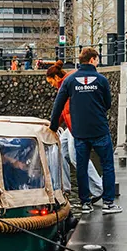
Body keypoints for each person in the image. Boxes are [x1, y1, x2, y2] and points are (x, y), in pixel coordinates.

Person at [50, 47, 121, 214]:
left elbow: (58, 106)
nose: (97, 62)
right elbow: (108, 103)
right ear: (92, 60)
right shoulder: (101, 80)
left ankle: (85, 204)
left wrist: (53, 127)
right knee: (107, 165)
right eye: (96, 59)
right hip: (99, 129)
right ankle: (108, 203)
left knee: (81, 167)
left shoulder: (70, 80)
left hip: (79, 132)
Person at [46, 61, 103, 202]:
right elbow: (63, 112)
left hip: (76, 126)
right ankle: (64, 189)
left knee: (77, 158)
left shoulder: (66, 85)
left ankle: (99, 188)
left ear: (56, 77)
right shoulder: (67, 83)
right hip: (73, 125)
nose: (51, 85)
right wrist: (53, 127)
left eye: (50, 82)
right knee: (60, 152)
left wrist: (52, 127)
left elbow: (61, 111)